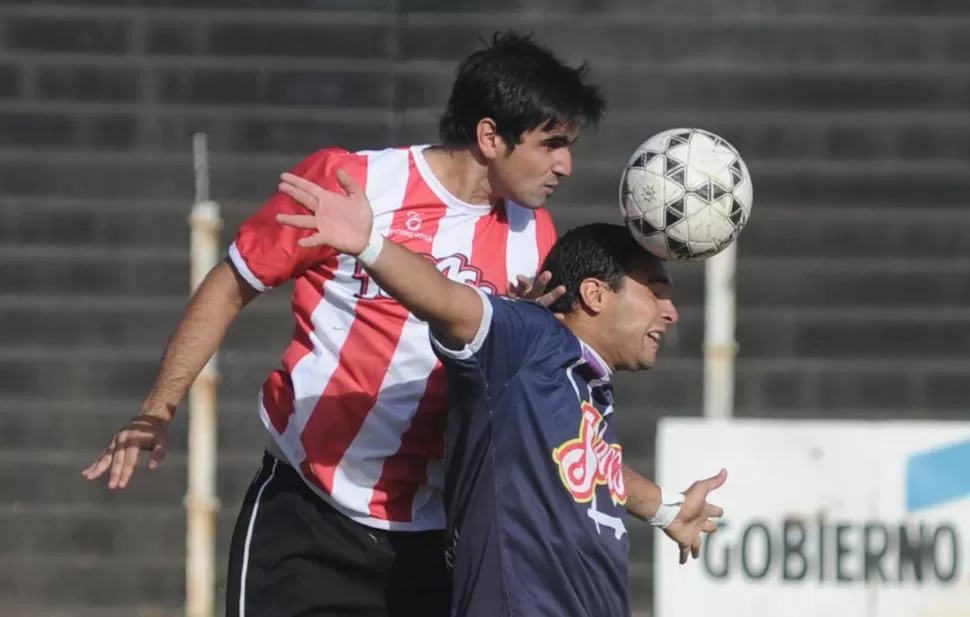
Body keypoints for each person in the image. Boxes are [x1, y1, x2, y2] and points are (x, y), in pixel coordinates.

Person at [82, 30, 718, 617]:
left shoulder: (536, 239)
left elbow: (550, 422)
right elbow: (230, 284)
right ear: (492, 136)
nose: (566, 167)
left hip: (437, 537)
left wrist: (656, 505)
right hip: (309, 514)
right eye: (551, 144)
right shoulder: (353, 184)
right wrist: (157, 409)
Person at [274, 171, 727, 617]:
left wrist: (663, 508)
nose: (671, 313)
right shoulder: (527, 341)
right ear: (594, 293)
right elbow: (447, 300)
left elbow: (586, 464)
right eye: (657, 293)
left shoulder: (583, 385)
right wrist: (369, 243)